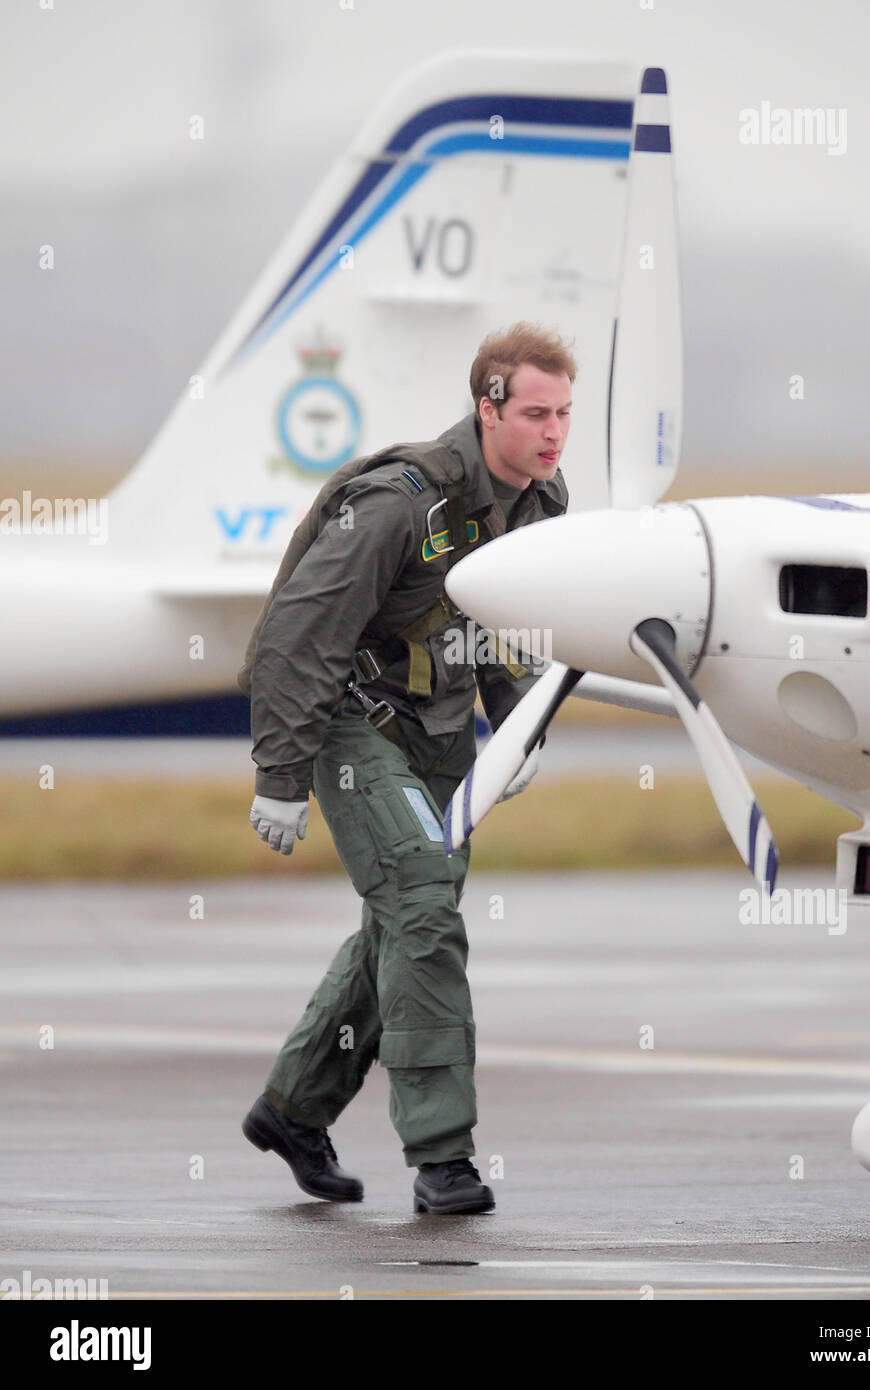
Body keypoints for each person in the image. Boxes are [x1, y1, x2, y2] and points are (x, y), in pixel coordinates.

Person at [238, 322, 575, 1214]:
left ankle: (293, 1110)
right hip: (352, 728)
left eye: (564, 413)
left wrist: (519, 725)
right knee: (422, 902)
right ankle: (442, 1159)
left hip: (442, 740)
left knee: (400, 926)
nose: (552, 432)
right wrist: (281, 774)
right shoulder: (398, 503)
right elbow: (294, 638)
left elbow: (513, 628)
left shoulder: (542, 505)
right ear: (486, 407)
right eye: (535, 412)